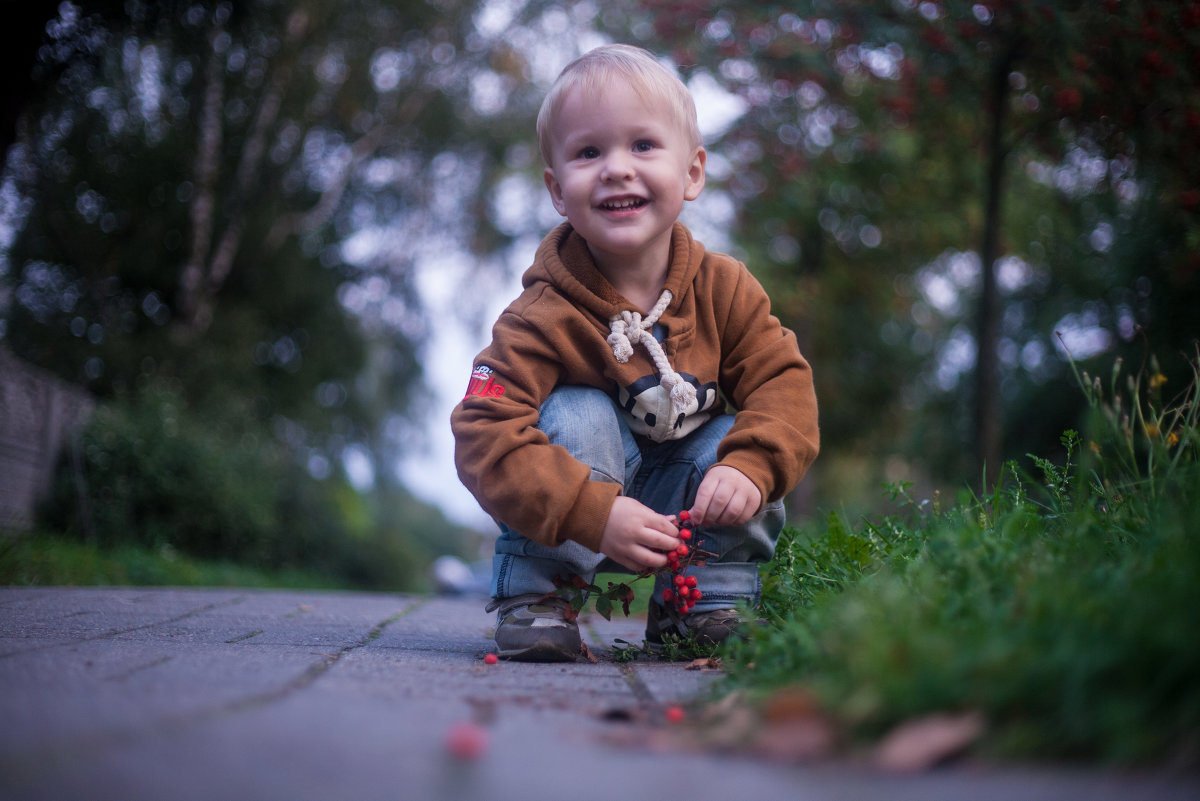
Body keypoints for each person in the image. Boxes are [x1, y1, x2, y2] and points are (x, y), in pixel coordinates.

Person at [451, 43, 819, 661]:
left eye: (643, 146)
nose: (616, 168)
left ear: (693, 173)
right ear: (557, 190)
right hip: (584, 497)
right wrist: (589, 510)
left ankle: (702, 605)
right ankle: (541, 599)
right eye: (589, 152)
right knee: (574, 411)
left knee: (736, 436)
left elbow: (784, 385)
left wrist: (750, 465)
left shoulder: (725, 289)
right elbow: (482, 430)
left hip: (682, 499)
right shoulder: (541, 315)